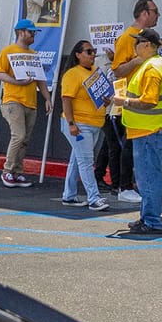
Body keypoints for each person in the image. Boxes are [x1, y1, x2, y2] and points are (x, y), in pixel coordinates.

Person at [117, 29, 162, 237]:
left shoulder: (152, 68)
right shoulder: (155, 65)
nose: (135, 46)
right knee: (148, 177)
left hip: (150, 130)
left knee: (148, 178)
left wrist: (122, 101)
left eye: (138, 42)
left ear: (148, 45)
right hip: (152, 130)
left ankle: (152, 221)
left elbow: (149, 101)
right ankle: (147, 217)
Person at [0, 19, 48, 186]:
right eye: (31, 32)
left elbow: (40, 79)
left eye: (34, 32)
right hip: (12, 100)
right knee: (19, 135)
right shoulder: (8, 51)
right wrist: (16, 82)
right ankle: (7, 170)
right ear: (20, 32)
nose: (33, 35)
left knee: (24, 139)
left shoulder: (33, 54)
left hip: (30, 102)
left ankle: (17, 171)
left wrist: (47, 98)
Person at [58, 40, 107, 209]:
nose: (93, 54)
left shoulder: (95, 72)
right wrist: (71, 123)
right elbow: (66, 99)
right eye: (88, 51)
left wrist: (106, 100)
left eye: (93, 51)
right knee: (86, 161)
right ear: (78, 55)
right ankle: (94, 198)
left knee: (78, 160)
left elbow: (99, 95)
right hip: (79, 124)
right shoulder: (72, 74)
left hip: (94, 123)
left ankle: (69, 195)